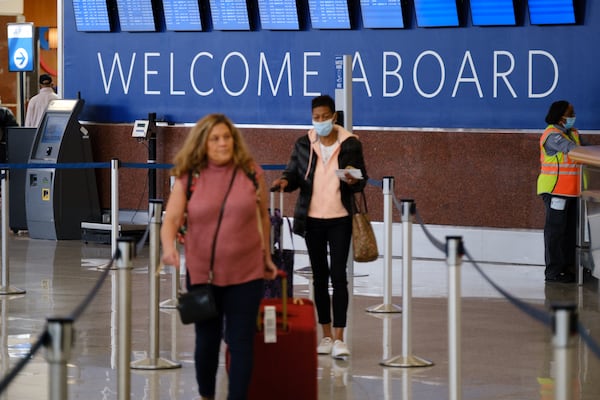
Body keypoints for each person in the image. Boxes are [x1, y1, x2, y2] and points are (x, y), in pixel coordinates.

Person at [160, 113, 277, 400]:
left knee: (241, 343)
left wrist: (267, 255)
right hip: (204, 274)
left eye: (227, 137)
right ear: (203, 143)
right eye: (215, 138)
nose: (222, 143)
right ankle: (206, 395)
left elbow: (263, 217)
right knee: (207, 342)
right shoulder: (190, 176)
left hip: (246, 274)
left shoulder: (251, 172)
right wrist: (169, 248)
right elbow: (172, 219)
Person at [272, 94, 368, 358]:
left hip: (340, 219)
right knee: (319, 277)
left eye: (325, 117)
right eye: (316, 118)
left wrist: (352, 179)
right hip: (312, 220)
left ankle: (339, 337)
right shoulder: (304, 143)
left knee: (339, 277)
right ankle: (325, 335)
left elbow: (361, 179)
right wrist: (283, 182)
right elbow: (293, 174)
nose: (321, 122)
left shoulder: (349, 143)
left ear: (334, 117)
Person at [537, 100, 581, 283]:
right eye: (569, 113)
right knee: (555, 232)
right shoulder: (552, 136)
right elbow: (573, 151)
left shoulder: (572, 133)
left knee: (570, 232)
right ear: (560, 116)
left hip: (572, 191)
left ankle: (567, 268)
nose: (572, 116)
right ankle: (553, 272)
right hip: (555, 190)